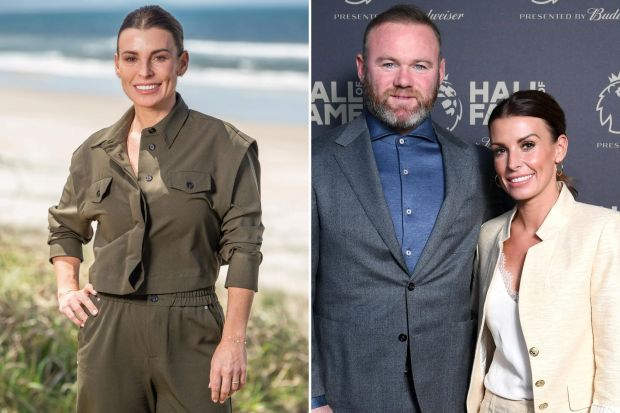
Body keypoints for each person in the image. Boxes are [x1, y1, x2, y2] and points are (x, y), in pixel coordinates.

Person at [47, 6, 263, 412]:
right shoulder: (92, 152)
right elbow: (65, 228)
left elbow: (245, 249)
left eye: (158, 57)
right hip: (107, 328)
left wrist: (233, 341)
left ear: (181, 62)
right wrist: (66, 288)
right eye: (131, 58)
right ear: (117, 65)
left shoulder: (227, 146)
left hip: (191, 328)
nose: (144, 72)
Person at [311, 4, 506, 412]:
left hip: (452, 393)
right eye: (389, 64)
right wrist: (314, 395)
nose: (403, 81)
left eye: (419, 65)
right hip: (349, 394)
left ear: (441, 71)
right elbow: (302, 287)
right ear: (363, 68)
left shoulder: (479, 166)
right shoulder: (317, 161)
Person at [466, 90, 620, 412]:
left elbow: (614, 359)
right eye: (500, 150)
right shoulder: (488, 235)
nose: (513, 164)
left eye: (528, 145)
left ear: (559, 148)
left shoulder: (603, 229)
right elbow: (486, 345)